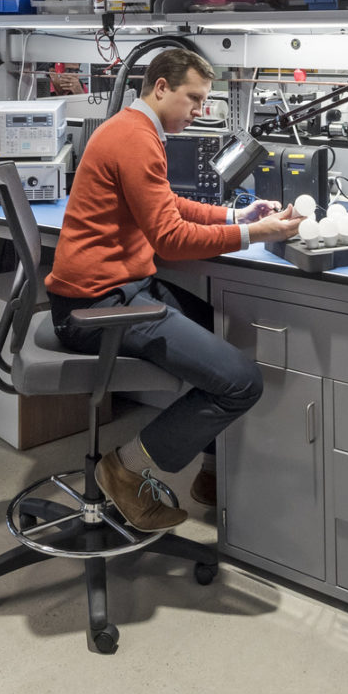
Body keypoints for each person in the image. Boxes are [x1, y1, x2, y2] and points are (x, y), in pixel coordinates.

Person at [45, 47, 302, 531]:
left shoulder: (136, 128)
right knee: (242, 381)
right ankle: (123, 468)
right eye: (193, 98)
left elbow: (168, 204)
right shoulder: (135, 138)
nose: (198, 110)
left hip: (121, 289)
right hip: (98, 308)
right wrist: (256, 235)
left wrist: (235, 216)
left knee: (217, 330)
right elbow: (171, 238)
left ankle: (208, 472)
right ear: (160, 87)